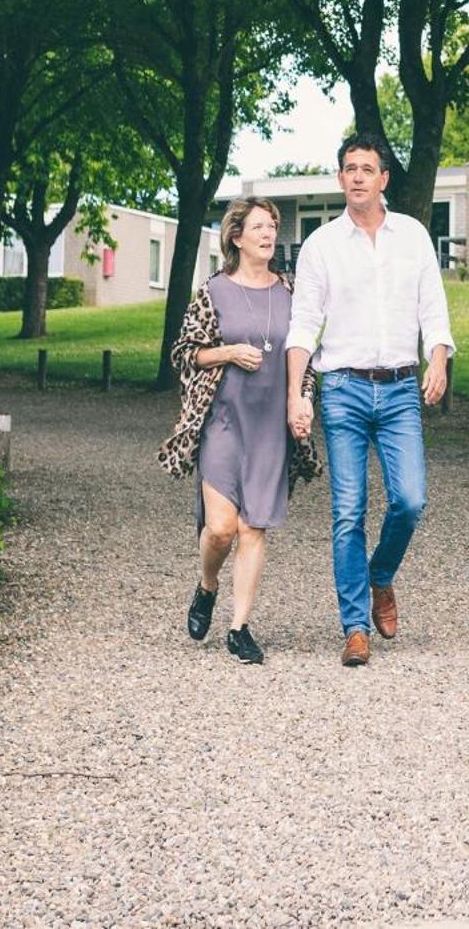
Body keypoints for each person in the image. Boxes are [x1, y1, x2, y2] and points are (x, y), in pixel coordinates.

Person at [287, 134, 453, 667]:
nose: (357, 176)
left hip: (402, 387)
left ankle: (381, 576)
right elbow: (303, 327)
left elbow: (434, 306)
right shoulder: (321, 246)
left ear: (383, 179)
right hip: (342, 389)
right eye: (349, 168)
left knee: (410, 499)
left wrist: (439, 357)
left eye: (367, 168)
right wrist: (297, 394)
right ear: (340, 180)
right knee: (348, 512)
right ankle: (354, 626)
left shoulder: (413, 237)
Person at [168, 196, 306, 664]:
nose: (270, 234)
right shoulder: (212, 291)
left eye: (274, 227)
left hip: (270, 428)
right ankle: (208, 585)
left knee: (253, 528)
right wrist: (228, 352)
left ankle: (239, 626)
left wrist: (302, 398)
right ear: (236, 236)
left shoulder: (291, 292)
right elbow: (185, 354)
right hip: (224, 423)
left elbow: (302, 356)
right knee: (222, 528)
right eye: (260, 227)